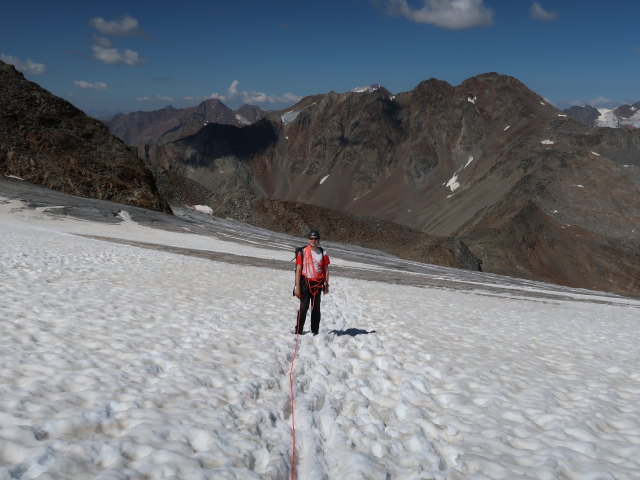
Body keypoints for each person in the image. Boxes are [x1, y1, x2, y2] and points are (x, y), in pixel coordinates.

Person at [294, 230, 330, 335]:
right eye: (311, 238)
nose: (313, 241)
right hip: (305, 283)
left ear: (318, 240)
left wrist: (326, 284)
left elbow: (326, 269)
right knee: (303, 307)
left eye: (315, 239)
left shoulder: (323, 253)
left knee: (316, 308)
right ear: (308, 239)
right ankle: (298, 330)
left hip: (318, 284)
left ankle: (315, 331)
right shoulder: (303, 252)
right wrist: (297, 286)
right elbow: (299, 269)